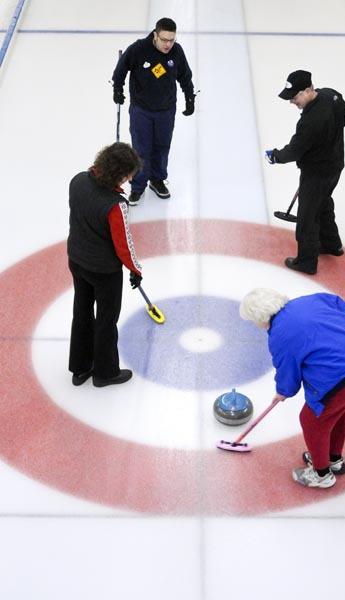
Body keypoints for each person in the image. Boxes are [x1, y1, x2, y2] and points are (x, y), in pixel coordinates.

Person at [240, 288, 345, 488]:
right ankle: (333, 459)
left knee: (312, 421)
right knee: (335, 414)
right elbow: (339, 304)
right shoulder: (308, 301)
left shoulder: (280, 335)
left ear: (260, 317)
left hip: (342, 378)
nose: (256, 325)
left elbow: (288, 371)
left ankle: (321, 474)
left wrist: (283, 391)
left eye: (253, 321)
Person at [68, 142, 143, 388]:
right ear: (119, 173)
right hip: (104, 272)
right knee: (106, 321)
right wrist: (135, 270)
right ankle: (105, 372)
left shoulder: (78, 181)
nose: (130, 179)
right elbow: (124, 245)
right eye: (128, 174)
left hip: (77, 261)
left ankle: (80, 368)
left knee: (82, 310)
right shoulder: (115, 205)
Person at [265, 70, 345, 274]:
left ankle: (306, 261)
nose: (292, 102)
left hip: (317, 172)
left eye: (295, 97)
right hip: (335, 164)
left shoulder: (310, 121)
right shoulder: (331, 95)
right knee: (323, 203)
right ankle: (332, 245)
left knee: (307, 216)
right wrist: (329, 136)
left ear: (308, 90)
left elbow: (295, 150)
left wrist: (275, 156)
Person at [112, 17, 195, 206]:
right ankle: (138, 186)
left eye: (171, 40)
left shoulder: (177, 51)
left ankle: (157, 180)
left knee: (162, 146)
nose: (168, 44)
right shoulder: (139, 49)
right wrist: (118, 89)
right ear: (155, 35)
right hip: (141, 110)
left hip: (166, 110)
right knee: (141, 149)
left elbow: (185, 76)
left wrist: (189, 98)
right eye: (164, 39)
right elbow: (121, 69)